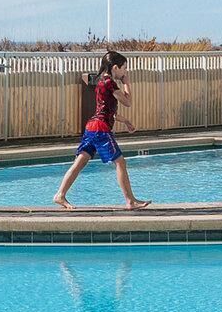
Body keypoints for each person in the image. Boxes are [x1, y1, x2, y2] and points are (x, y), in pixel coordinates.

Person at [53, 50, 150, 209]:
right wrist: (127, 82)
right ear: (115, 67)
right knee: (120, 162)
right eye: (124, 68)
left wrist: (125, 121)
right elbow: (128, 102)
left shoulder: (101, 82)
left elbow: (106, 111)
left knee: (80, 162)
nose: (125, 72)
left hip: (92, 127)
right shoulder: (109, 83)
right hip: (100, 129)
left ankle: (60, 195)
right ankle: (130, 201)